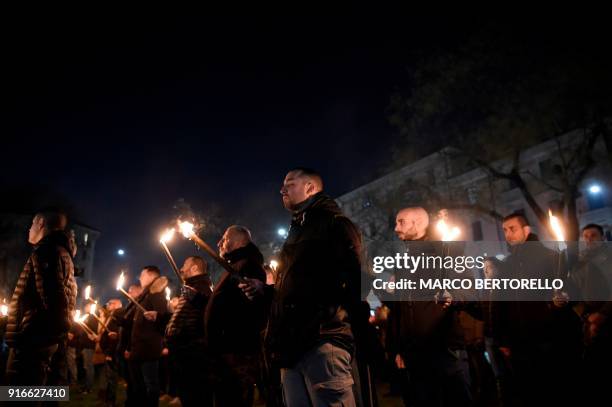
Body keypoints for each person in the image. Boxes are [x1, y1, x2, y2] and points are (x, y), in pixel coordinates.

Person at [241, 168, 363, 407]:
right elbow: (296, 288)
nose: (282, 189)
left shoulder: (334, 224)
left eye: (290, 183)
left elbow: (356, 280)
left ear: (310, 187)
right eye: (282, 184)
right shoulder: (297, 231)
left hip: (322, 342)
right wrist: (265, 289)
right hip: (291, 347)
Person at [493, 212, 581, 406]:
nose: (508, 234)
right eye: (505, 230)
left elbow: (571, 289)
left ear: (527, 230)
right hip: (520, 345)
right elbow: (501, 303)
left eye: (512, 229)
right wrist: (502, 338)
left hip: (549, 340)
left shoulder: (550, 258)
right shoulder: (507, 265)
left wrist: (563, 298)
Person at [388, 207, 472, 407]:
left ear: (416, 224)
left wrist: (452, 296)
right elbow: (400, 311)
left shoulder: (445, 252)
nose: (395, 228)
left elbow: (469, 291)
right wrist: (399, 349)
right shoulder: (403, 264)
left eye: (401, 222)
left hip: (444, 351)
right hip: (414, 357)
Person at [5, 208, 77, 386]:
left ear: (41, 224)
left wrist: (49, 332)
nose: (29, 229)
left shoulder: (47, 251)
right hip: (42, 337)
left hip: (31, 339)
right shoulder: (62, 252)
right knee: (36, 389)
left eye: (31, 225)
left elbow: (54, 298)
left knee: (17, 396)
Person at [205, 226, 267, 406]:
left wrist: (226, 340)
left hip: (236, 354)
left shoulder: (249, 266)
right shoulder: (234, 266)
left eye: (224, 239)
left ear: (239, 241)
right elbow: (222, 304)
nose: (219, 243)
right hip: (225, 352)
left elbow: (248, 310)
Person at [144, 256, 212, 407]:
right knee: (188, 396)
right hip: (185, 353)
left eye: (184, 265)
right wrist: (160, 318)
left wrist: (196, 297)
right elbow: (180, 318)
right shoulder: (189, 289)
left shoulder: (201, 288)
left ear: (194, 268)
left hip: (193, 354)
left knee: (196, 398)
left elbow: (207, 313)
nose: (181, 269)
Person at [125, 266, 168, 407]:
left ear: (151, 275)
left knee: (150, 385)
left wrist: (157, 316)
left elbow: (165, 318)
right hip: (139, 348)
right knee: (139, 385)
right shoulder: (146, 295)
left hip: (148, 348)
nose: (140, 278)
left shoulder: (156, 293)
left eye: (142, 275)